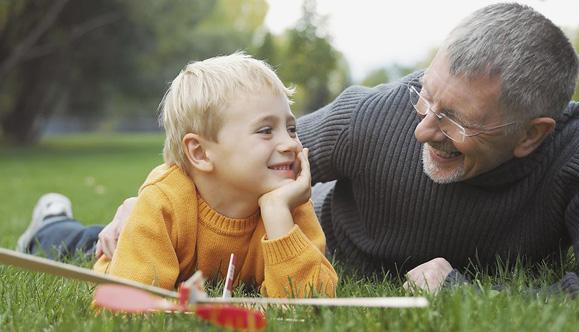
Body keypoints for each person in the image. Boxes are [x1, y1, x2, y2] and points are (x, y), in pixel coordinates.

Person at [69, 3, 579, 295]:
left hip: (291, 252)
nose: (423, 129)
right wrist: (141, 202)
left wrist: (469, 295)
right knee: (121, 242)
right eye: (426, 97)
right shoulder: (372, 114)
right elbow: (225, 157)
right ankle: (56, 226)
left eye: (456, 119)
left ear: (531, 134)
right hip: (274, 232)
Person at [16, 53, 338, 298]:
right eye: (266, 130)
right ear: (200, 153)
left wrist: (278, 215)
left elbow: (313, 301)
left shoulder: (288, 204)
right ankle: (50, 223)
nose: (290, 143)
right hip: (125, 249)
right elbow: (125, 302)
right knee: (82, 244)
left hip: (165, 248)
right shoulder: (165, 203)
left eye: (292, 128)